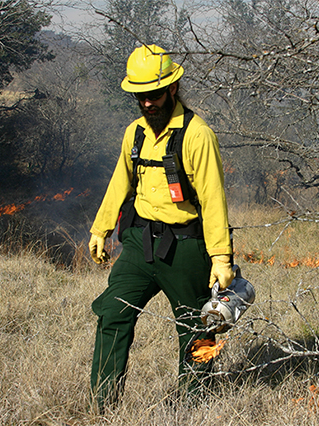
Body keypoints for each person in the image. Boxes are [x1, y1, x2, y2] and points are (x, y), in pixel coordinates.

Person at [88, 44, 234, 407]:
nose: (147, 103)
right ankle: (102, 404)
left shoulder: (197, 135)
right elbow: (119, 181)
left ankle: (193, 405)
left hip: (185, 247)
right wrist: (100, 229)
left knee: (196, 328)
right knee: (112, 311)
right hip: (139, 244)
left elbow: (214, 198)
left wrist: (220, 258)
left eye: (153, 94)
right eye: (140, 96)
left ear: (172, 88)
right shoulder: (134, 133)